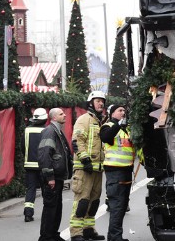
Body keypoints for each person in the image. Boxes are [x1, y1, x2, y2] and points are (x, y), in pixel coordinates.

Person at [69, 91, 107, 241]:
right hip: (84, 168)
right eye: (98, 101)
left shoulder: (101, 121)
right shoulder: (83, 119)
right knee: (82, 201)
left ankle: (89, 230)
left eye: (102, 101)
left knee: (94, 201)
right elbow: (77, 141)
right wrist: (85, 161)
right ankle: (76, 233)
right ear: (91, 103)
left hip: (98, 168)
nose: (101, 103)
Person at [99, 104, 134, 241]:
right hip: (115, 171)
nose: (123, 112)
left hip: (126, 171)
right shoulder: (107, 126)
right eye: (120, 110)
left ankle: (114, 237)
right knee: (117, 206)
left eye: (124, 110)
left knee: (122, 206)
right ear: (112, 113)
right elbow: (106, 137)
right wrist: (118, 124)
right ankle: (115, 238)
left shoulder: (126, 129)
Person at [37, 108, 72, 241]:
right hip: (52, 177)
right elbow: (44, 155)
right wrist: (49, 177)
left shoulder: (57, 131)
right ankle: (46, 237)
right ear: (54, 118)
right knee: (50, 207)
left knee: (57, 207)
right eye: (61, 114)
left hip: (58, 177)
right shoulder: (50, 131)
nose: (65, 115)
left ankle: (53, 234)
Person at [22, 108, 48, 222]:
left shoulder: (27, 130)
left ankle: (28, 214)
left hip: (29, 165)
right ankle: (47, 214)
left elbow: (22, 147)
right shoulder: (47, 131)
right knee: (45, 189)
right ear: (45, 119)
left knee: (30, 189)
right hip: (44, 165)